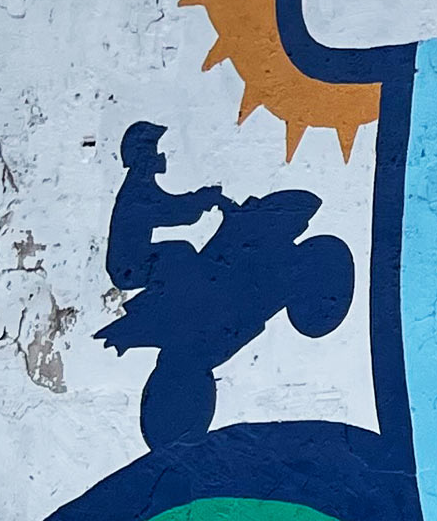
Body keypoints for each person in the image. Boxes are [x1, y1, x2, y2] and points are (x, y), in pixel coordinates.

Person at [96, 121, 354, 448]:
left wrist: (203, 203)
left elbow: (173, 211)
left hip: (155, 268)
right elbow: (170, 210)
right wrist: (201, 202)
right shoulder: (138, 189)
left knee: (184, 256)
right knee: (181, 256)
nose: (159, 159)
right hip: (134, 267)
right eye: (153, 153)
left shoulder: (139, 188)